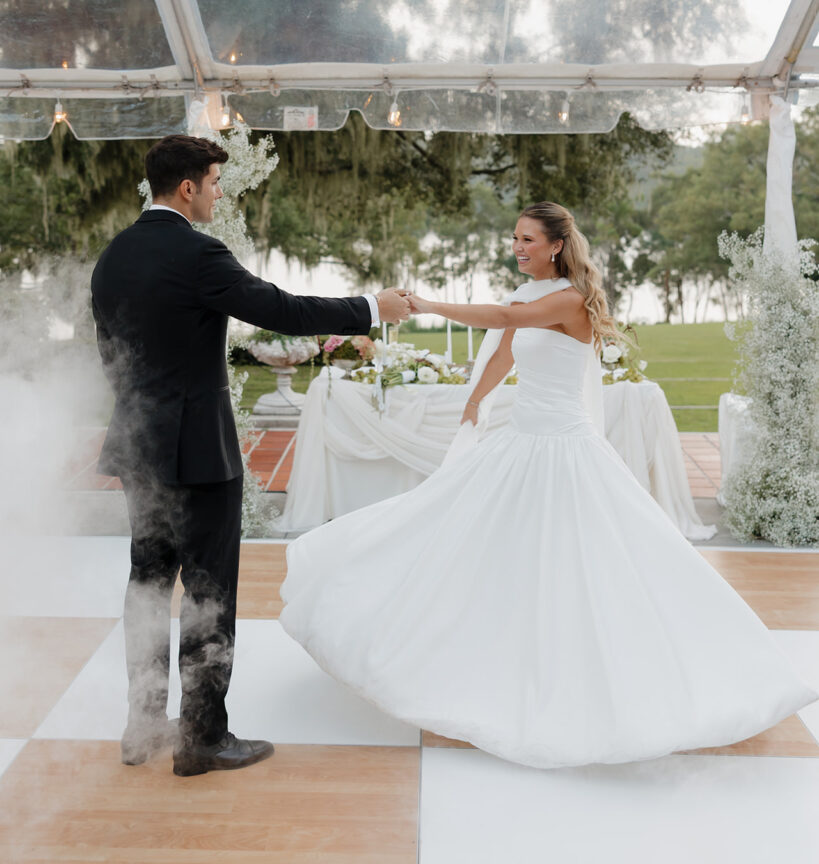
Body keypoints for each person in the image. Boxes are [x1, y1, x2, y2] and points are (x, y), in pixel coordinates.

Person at [279, 201, 817, 770]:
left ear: (557, 245)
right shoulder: (529, 298)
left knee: (590, 559)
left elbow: (504, 322)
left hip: (565, 448)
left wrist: (426, 304)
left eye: (528, 239)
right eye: (514, 237)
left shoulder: (567, 300)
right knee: (474, 538)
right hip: (521, 441)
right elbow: (507, 349)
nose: (518, 246)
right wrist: (474, 398)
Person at [91, 134, 410, 777]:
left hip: (138, 445)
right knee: (211, 589)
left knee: (147, 585)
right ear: (188, 188)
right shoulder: (198, 254)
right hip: (198, 455)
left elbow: (112, 354)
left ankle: (143, 724)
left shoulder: (114, 256)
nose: (217, 194)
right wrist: (372, 307)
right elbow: (281, 310)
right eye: (213, 183)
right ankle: (202, 739)